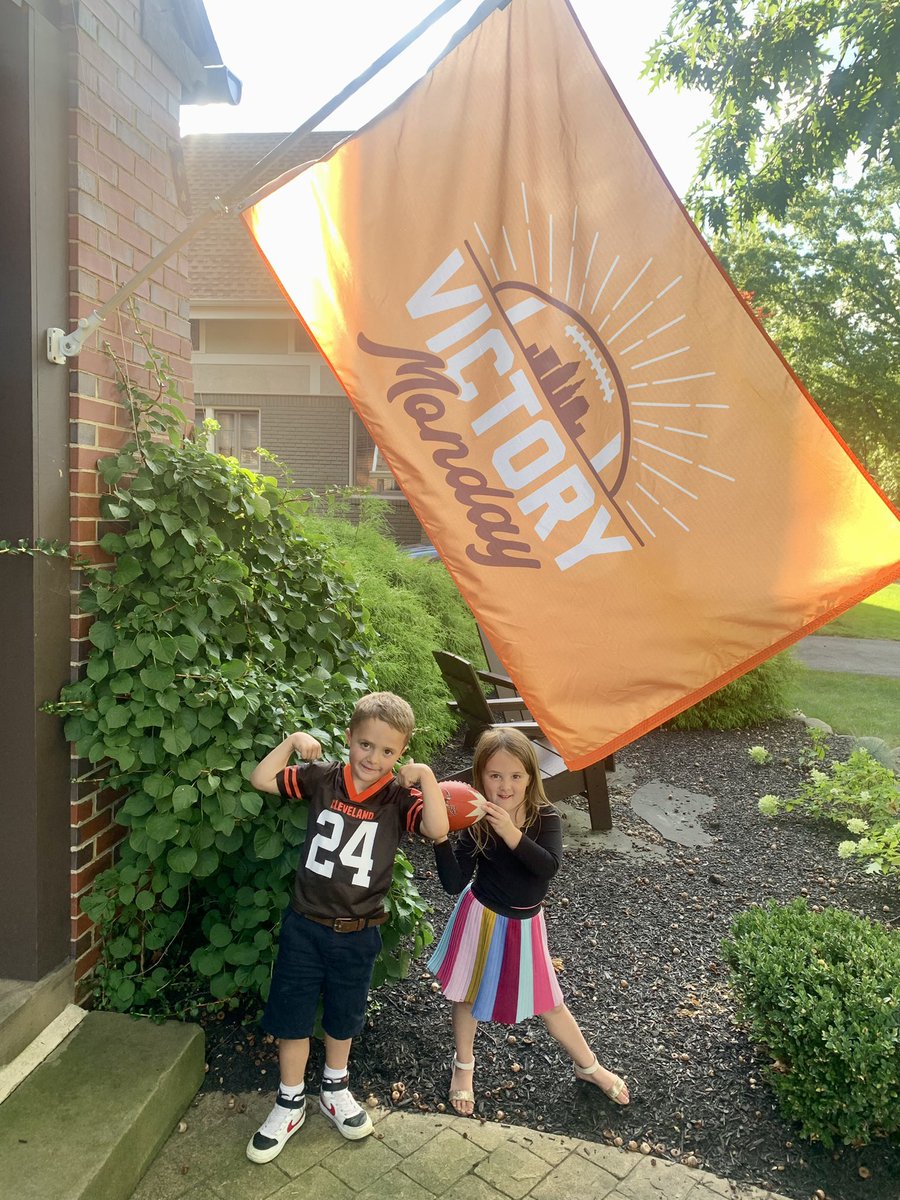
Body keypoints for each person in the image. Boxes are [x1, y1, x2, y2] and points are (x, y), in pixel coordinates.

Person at [245, 691, 449, 1163]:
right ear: (348, 738)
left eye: (388, 751)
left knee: (344, 1013)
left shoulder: (399, 799)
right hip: (305, 923)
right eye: (365, 745)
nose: (373, 758)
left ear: (400, 753)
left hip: (358, 928)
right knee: (293, 1013)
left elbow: (438, 829)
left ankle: (335, 1088)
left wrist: (428, 778)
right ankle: (289, 1100)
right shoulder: (323, 779)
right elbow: (261, 778)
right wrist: (294, 740)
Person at [428, 727, 629, 1115]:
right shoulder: (475, 821)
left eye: (516, 776)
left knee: (551, 1003)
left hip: (525, 925)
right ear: (479, 776)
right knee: (467, 995)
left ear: (530, 778)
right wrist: (439, 841)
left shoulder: (544, 817)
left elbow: (547, 867)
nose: (505, 786)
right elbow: (454, 883)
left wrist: (510, 831)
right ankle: (463, 1067)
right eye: (495, 775)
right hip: (481, 919)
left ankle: (589, 1067)